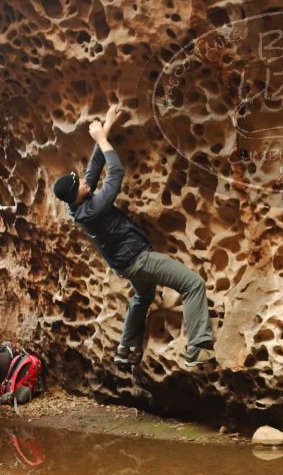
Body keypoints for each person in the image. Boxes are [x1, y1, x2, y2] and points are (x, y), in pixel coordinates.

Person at [51, 104, 216, 368]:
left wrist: (107, 126)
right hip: (139, 259)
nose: (83, 180)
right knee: (192, 284)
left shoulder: (78, 203)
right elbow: (115, 174)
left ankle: (125, 349)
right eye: (79, 183)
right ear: (75, 195)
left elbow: (94, 167)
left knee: (142, 297)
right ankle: (198, 347)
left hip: (125, 265)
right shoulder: (92, 209)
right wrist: (103, 139)